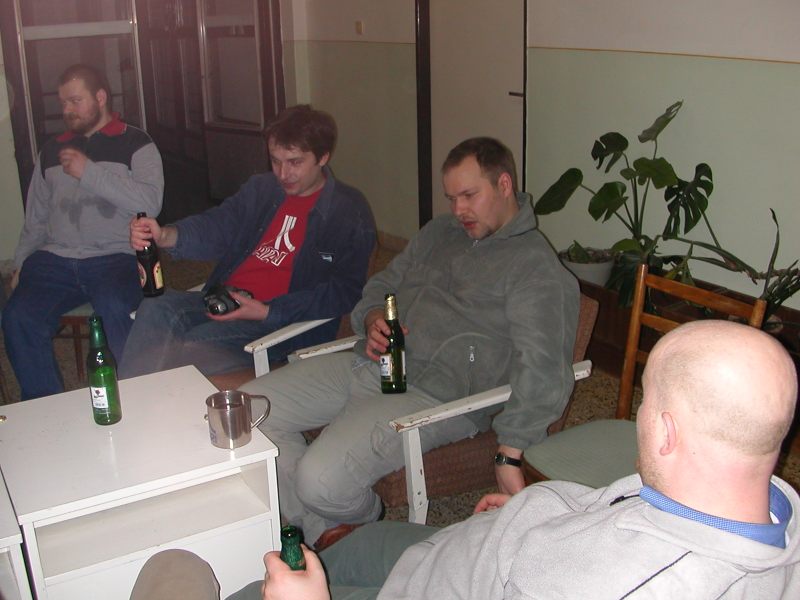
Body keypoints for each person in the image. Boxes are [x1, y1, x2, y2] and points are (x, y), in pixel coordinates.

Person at [129, 320, 800, 600]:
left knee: (192, 577)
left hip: (445, 585)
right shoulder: (764, 511)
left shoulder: (612, 586)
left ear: (667, 432)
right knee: (334, 551)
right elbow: (627, 510)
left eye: (646, 403)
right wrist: (539, 508)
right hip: (473, 544)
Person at [242, 136, 580, 550]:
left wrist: (510, 451)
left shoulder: (535, 267)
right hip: (374, 363)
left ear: (504, 185)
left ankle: (350, 525)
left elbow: (544, 366)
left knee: (319, 481)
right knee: (247, 414)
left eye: (469, 195)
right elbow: (382, 283)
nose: (458, 210)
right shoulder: (440, 233)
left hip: (435, 396)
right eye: (451, 198)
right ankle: (330, 532)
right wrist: (371, 317)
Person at [117, 104, 376, 379]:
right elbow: (218, 225)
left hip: (280, 321)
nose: (283, 174)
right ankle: (131, 401)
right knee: (155, 307)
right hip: (226, 298)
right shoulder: (262, 189)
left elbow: (346, 291)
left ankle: (141, 399)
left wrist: (268, 311)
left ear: (323, 157)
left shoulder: (348, 211)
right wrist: (165, 235)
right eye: (275, 160)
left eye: (295, 162)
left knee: (188, 349)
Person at [2, 63, 163, 400]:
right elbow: (36, 217)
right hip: (55, 260)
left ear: (100, 97)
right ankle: (47, 407)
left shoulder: (136, 142)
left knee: (116, 307)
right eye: (63, 103)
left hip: (115, 256)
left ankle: (134, 399)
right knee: (17, 316)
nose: (67, 110)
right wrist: (20, 262)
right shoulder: (51, 150)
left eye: (75, 101)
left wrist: (88, 172)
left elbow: (150, 202)